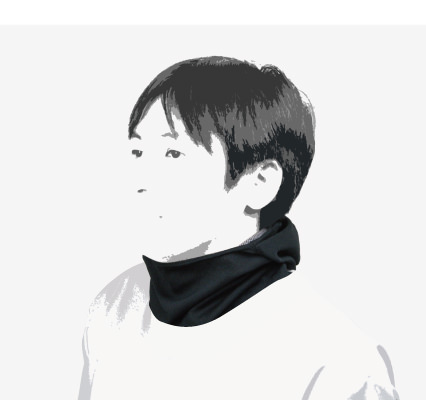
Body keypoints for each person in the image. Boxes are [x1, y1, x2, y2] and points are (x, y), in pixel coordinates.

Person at [78, 56, 400, 399]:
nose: (139, 180)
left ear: (260, 182)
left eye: (173, 153)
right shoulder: (112, 307)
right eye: (138, 151)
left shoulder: (339, 363)